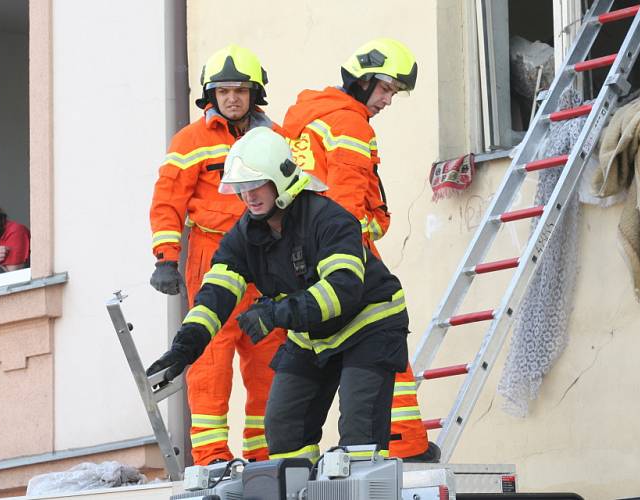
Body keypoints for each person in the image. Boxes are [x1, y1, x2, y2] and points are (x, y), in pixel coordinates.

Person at [147, 127, 410, 462]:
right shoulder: (244, 235)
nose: (249, 196)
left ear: (281, 181)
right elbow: (215, 295)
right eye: (241, 188)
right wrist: (184, 349)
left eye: (256, 185)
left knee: (359, 438)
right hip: (312, 335)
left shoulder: (329, 219)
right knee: (284, 429)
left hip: (369, 326)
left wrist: (275, 314)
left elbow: (341, 291)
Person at [281, 38, 438, 462]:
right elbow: (348, 197)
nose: (388, 100)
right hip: (347, 251)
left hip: (307, 255)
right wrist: (354, 244)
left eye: (393, 93)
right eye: (385, 88)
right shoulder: (350, 124)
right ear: (363, 79)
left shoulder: (304, 119)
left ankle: (307, 458)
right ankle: (404, 441)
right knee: (382, 337)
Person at [148, 44, 286, 465]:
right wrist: (165, 257)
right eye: (223, 91)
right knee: (211, 359)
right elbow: (168, 198)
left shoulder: (275, 137)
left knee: (271, 359)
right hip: (213, 258)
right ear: (211, 95)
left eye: (240, 90)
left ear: (254, 94)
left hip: (266, 259)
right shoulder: (191, 140)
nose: (231, 98)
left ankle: (265, 457)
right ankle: (211, 457)